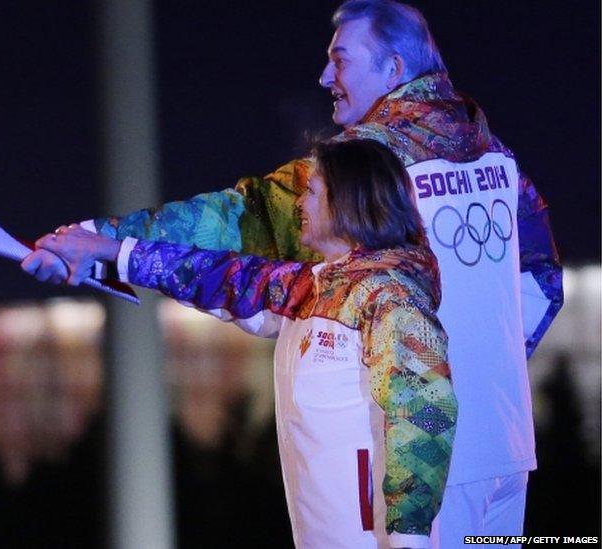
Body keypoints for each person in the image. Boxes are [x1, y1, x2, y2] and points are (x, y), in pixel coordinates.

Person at [24, 0, 563, 545]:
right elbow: (543, 284)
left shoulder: (360, 166)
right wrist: (469, 369)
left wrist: (97, 239)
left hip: (409, 470)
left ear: (394, 70)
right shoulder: (496, 157)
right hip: (500, 450)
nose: (326, 76)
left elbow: (239, 222)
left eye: (342, 60)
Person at [25, 138, 459, 548]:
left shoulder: (390, 299)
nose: (299, 204)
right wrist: (105, 251)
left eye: (312, 191)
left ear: (348, 200)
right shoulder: (310, 286)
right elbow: (214, 276)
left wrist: (408, 535)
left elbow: (424, 413)